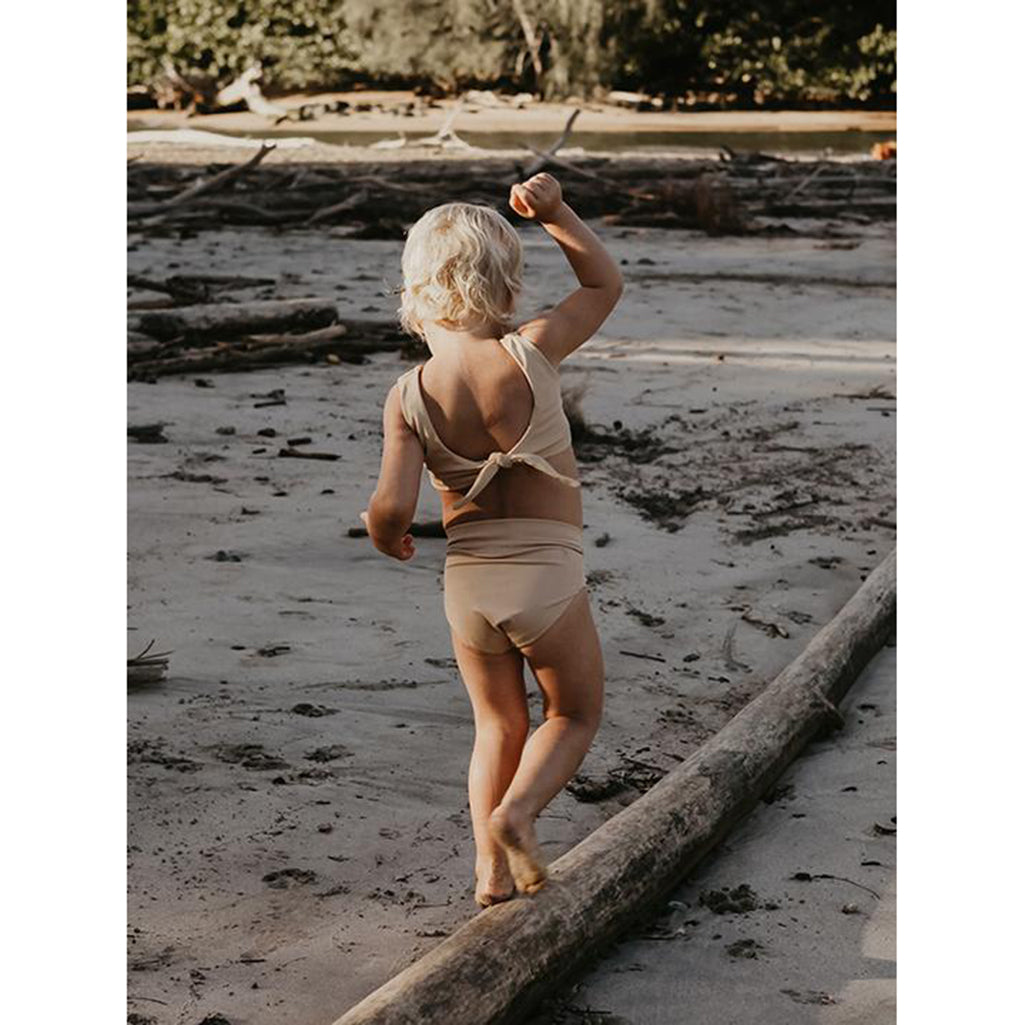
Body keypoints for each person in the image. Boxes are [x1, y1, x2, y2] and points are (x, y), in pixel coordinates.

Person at [360, 173, 624, 907]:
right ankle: (519, 813)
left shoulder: (408, 395)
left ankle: (490, 871)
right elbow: (603, 285)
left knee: (496, 724)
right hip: (546, 578)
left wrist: (387, 537)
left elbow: (391, 505)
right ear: (506, 287)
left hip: (469, 586)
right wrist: (556, 213)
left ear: (413, 293)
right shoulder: (530, 351)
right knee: (571, 713)